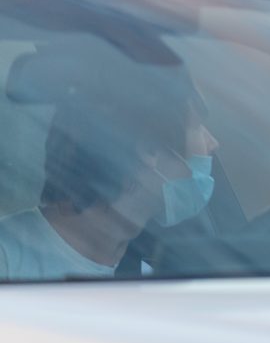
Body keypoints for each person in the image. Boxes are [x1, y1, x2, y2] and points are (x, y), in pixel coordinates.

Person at [0, 62, 218, 281]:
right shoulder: (8, 260)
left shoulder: (170, 266)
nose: (213, 143)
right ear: (149, 150)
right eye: (197, 126)